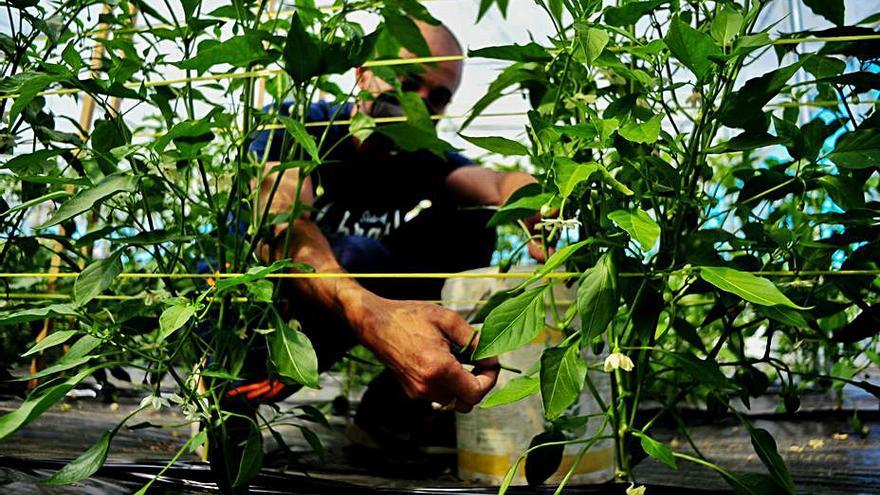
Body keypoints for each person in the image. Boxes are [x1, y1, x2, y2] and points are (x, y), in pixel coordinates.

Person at [222, 19, 540, 452]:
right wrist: (371, 313)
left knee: (469, 223)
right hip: (252, 312)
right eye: (408, 83)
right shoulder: (300, 125)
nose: (420, 105)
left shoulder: (420, 153)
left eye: (438, 98)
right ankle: (231, 398)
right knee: (357, 256)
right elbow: (280, 226)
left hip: (354, 291)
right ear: (363, 73)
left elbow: (494, 185)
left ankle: (390, 415)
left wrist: (535, 199)